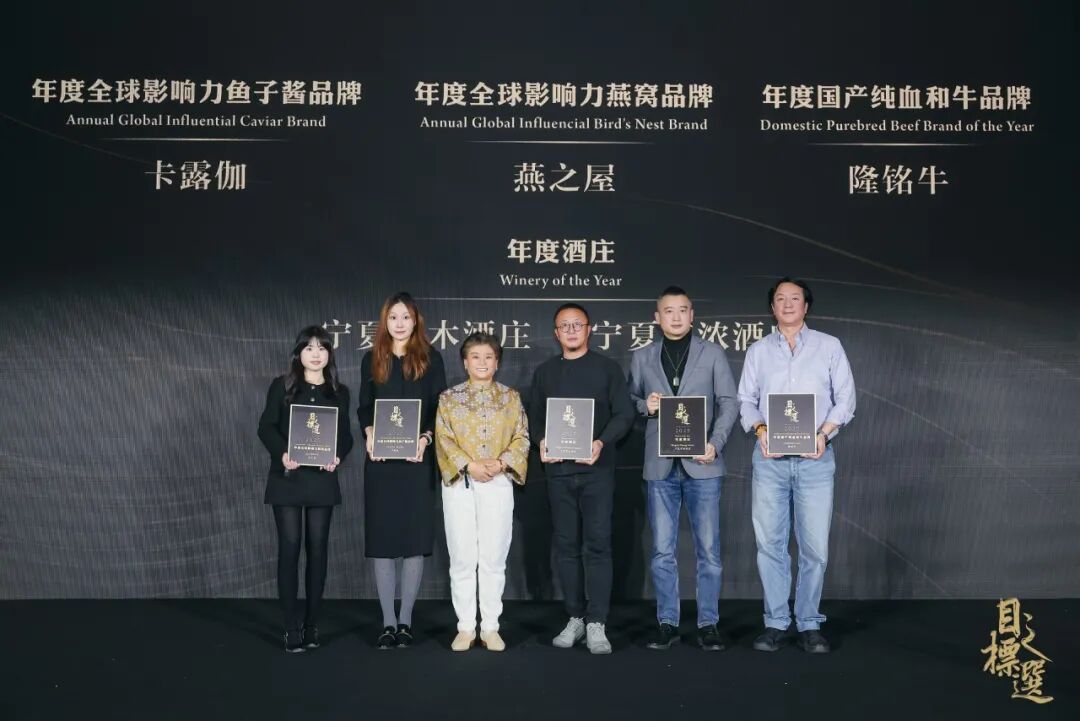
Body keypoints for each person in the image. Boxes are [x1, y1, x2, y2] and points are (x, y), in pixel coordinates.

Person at [738, 277, 855, 654]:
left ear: (806, 306)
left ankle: (809, 623)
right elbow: (745, 400)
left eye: (795, 298)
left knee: (815, 548)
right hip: (769, 460)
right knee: (770, 545)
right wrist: (760, 430)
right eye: (780, 299)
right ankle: (775, 622)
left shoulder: (829, 346)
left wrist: (824, 434)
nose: (787, 304)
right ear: (772, 307)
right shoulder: (758, 350)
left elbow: (846, 400)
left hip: (815, 461)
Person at [627, 286, 738, 651]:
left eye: (682, 310)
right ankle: (667, 623)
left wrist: (715, 443)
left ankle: (708, 623)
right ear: (656, 318)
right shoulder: (642, 356)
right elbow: (628, 400)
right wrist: (645, 405)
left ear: (692, 315)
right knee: (662, 551)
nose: (675, 317)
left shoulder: (712, 353)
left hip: (702, 464)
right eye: (668, 311)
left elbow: (729, 402)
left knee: (709, 551)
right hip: (660, 466)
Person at [528, 303, 634, 654]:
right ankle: (575, 616)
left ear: (590, 329)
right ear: (556, 333)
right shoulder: (545, 372)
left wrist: (601, 442)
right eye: (565, 325)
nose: (571, 330)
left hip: (597, 472)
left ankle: (597, 622)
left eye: (578, 324)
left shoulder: (607, 368)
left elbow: (624, 414)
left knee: (598, 545)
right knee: (566, 547)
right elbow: (535, 417)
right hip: (558, 473)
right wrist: (541, 441)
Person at [357, 292, 447, 649]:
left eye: (405, 317)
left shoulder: (431, 358)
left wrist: (426, 438)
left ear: (416, 321)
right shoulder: (372, 359)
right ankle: (388, 622)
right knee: (382, 541)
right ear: (385, 321)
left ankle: (406, 621)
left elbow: (439, 407)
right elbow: (364, 407)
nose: (399, 323)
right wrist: (369, 432)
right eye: (393, 317)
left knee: (413, 541)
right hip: (380, 463)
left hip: (416, 461)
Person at [258, 326, 353, 653]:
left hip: (321, 480)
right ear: (298, 353)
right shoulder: (282, 386)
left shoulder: (339, 392)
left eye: (322, 348)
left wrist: (338, 456)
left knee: (318, 550)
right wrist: (282, 453)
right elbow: (266, 427)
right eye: (309, 348)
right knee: (289, 548)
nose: (316, 354)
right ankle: (290, 627)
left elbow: (346, 436)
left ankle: (312, 625)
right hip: (287, 477)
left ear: (329, 354)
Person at [435, 332, 530, 652]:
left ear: (497, 362)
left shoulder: (511, 397)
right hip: (460, 483)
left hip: (498, 482)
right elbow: (443, 439)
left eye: (489, 357)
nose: (482, 362)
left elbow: (522, 437)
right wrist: (469, 465)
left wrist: (502, 463)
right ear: (465, 362)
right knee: (462, 557)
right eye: (475, 356)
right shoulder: (449, 398)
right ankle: (465, 627)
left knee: (493, 557)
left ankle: (490, 627)